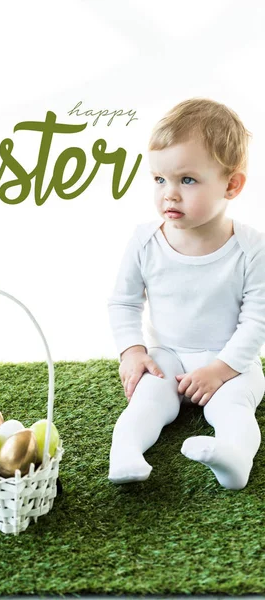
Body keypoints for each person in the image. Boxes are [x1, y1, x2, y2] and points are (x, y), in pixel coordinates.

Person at [107, 97, 265, 490]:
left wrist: (221, 369)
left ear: (232, 184)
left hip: (231, 359)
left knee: (234, 406)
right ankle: (125, 451)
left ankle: (233, 457)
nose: (169, 195)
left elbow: (257, 319)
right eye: (159, 180)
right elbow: (124, 301)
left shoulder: (251, 249)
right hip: (168, 356)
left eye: (187, 180)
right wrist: (132, 351)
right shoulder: (145, 241)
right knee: (147, 400)